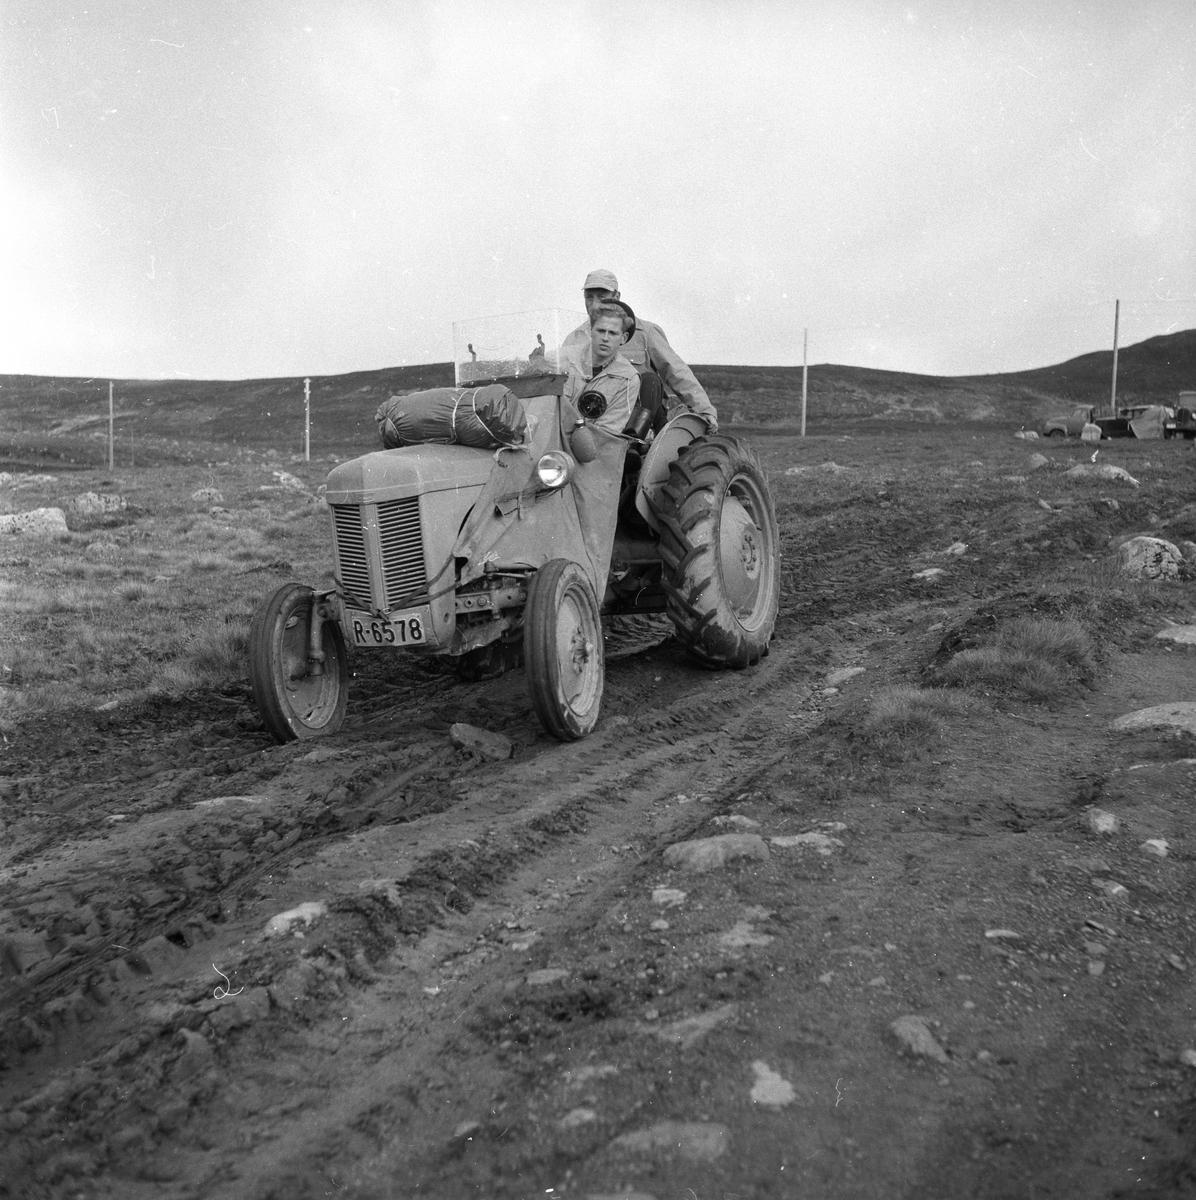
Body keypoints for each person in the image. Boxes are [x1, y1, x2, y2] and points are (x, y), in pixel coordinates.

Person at [562, 268, 719, 432]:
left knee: (650, 380)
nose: (594, 304)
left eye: (602, 297)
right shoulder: (575, 338)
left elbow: (677, 371)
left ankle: (635, 447)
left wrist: (704, 409)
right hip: (590, 418)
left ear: (617, 297)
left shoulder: (646, 332)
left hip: (639, 419)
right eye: (589, 298)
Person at [563, 301, 640, 436]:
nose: (605, 338)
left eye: (612, 333)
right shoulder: (562, 358)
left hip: (587, 447)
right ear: (590, 331)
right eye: (601, 330)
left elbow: (605, 432)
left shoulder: (629, 378)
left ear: (623, 338)